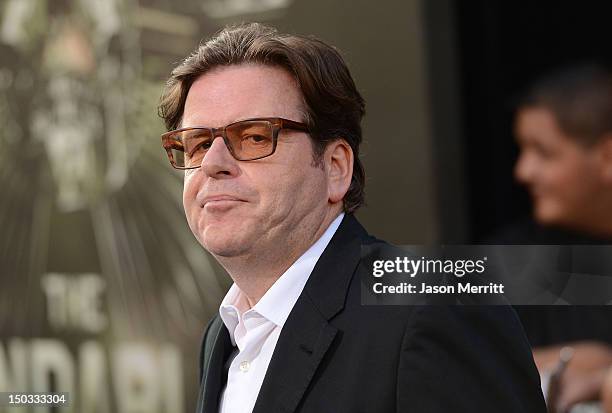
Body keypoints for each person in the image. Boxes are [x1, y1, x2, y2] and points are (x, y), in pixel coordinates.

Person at [158, 23, 545, 413]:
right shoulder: (221, 335)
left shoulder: (434, 307)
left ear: (335, 167)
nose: (213, 163)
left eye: (255, 137)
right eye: (199, 144)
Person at [511, 63, 612, 412]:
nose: (523, 171)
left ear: (607, 156)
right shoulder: (515, 256)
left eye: (544, 152)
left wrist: (603, 375)